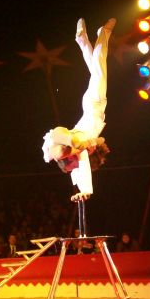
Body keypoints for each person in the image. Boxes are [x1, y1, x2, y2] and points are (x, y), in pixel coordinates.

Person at [42, 17, 114, 202]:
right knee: (96, 70)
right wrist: (84, 190)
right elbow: (81, 166)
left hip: (94, 105)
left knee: (99, 69)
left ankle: (103, 34)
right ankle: (83, 40)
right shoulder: (85, 147)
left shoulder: (83, 146)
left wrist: (86, 190)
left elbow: (81, 165)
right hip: (88, 111)